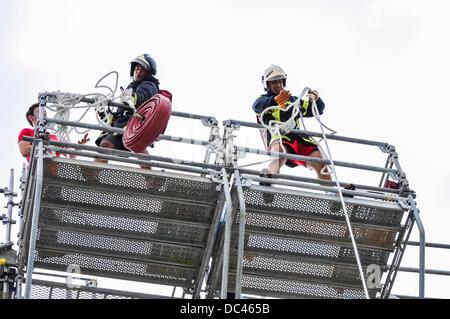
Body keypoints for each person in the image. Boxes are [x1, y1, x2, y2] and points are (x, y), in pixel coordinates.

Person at [94, 53, 160, 166]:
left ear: (148, 73)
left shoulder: (149, 85)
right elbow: (122, 113)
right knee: (107, 146)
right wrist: (104, 114)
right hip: (121, 125)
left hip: (133, 125)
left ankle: (152, 179)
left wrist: (133, 97)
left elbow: (143, 97)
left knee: (136, 146)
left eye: (142, 70)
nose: (138, 72)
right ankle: (92, 174)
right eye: (137, 68)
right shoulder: (131, 86)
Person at [18, 103, 89, 162]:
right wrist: (50, 146)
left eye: (45, 112)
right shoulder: (27, 132)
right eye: (40, 112)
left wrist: (79, 148)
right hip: (37, 171)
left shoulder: (56, 137)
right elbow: (24, 151)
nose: (44, 114)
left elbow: (70, 155)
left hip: (54, 172)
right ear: (31, 117)